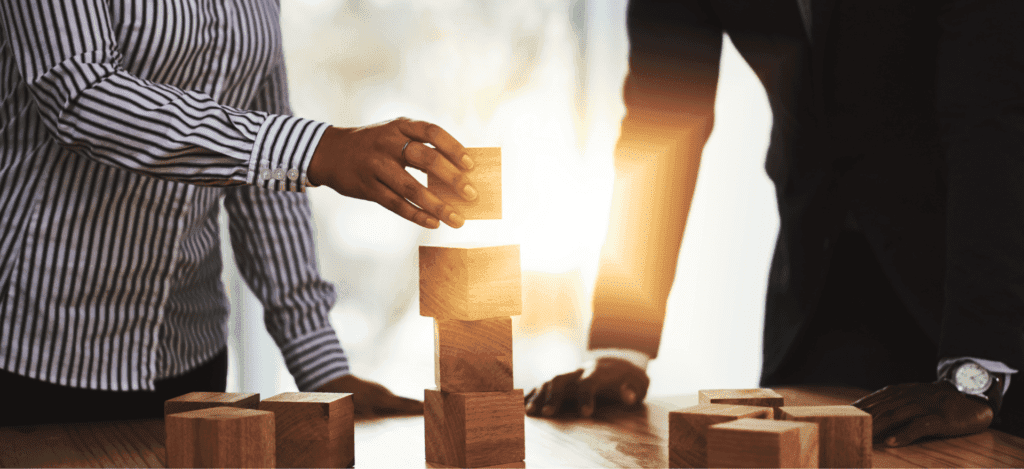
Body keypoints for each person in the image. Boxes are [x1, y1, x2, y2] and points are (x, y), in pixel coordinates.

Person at [526, 0, 1024, 445]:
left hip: (992, 274)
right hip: (820, 278)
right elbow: (663, 116)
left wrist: (979, 368)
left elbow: (992, 115)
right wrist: (622, 345)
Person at [0, 0, 478, 426]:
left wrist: (321, 364)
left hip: (191, 358)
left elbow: (268, 171)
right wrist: (316, 148)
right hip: (39, 353)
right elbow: (82, 97)